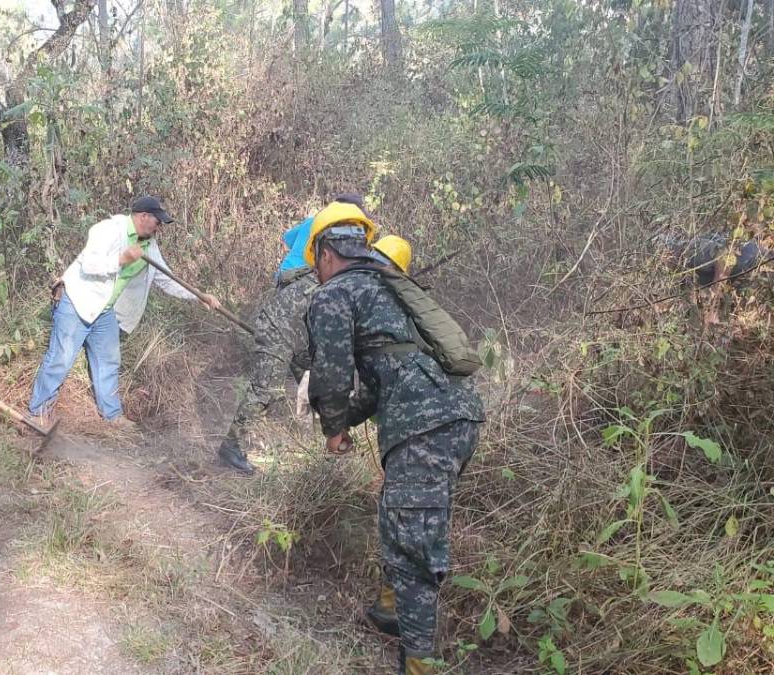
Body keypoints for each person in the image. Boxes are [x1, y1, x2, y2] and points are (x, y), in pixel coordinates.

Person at [303, 201, 484, 675]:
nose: (317, 275)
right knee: (403, 517)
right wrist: (346, 420)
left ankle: (420, 661)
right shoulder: (388, 285)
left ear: (325, 252)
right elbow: (387, 378)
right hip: (456, 418)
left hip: (426, 427)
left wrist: (334, 429)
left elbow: (332, 371)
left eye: (315, 266)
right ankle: (389, 611)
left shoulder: (335, 293)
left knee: (414, 545)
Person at [27, 196, 222, 426]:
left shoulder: (149, 245)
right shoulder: (109, 229)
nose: (159, 228)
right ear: (143, 217)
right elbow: (90, 264)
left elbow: (166, 279)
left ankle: (112, 416)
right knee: (60, 359)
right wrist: (122, 258)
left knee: (108, 362)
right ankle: (38, 414)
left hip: (105, 310)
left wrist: (199, 295)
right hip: (77, 301)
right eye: (157, 222)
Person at [217, 193, 374, 474]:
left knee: (314, 383)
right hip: (278, 330)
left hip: (299, 333)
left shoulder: (333, 261)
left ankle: (324, 441)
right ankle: (231, 446)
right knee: (264, 389)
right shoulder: (334, 272)